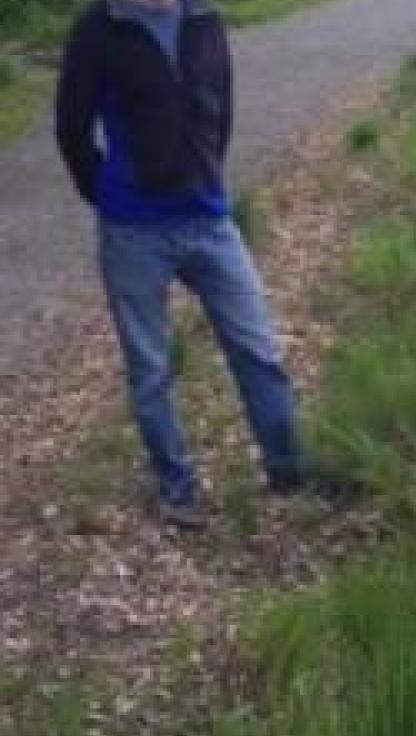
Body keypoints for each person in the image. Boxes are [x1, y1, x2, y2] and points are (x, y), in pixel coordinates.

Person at [55, 0, 324, 529]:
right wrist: (108, 194)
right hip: (134, 232)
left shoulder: (204, 19)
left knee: (258, 349)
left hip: (209, 221)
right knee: (150, 370)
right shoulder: (99, 29)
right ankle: (178, 490)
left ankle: (288, 470)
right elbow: (71, 128)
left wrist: (204, 176)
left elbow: (220, 108)